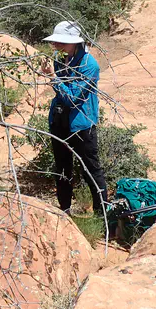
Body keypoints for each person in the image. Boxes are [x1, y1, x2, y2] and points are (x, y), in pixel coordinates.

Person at [41, 21, 108, 215]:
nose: (58, 47)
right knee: (62, 171)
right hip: (59, 122)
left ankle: (102, 218)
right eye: (56, 43)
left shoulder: (89, 65)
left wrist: (53, 77)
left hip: (81, 125)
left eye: (62, 43)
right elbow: (61, 93)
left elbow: (72, 99)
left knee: (91, 172)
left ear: (76, 43)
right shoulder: (59, 58)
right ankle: (65, 213)